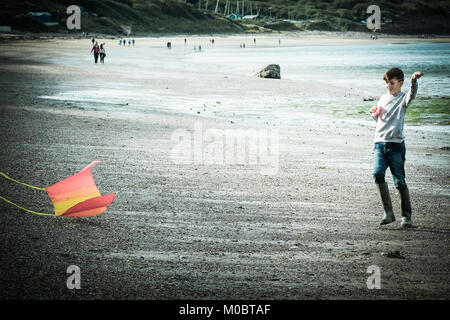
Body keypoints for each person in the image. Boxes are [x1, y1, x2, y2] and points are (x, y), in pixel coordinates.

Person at [369, 68, 424, 227]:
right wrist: (374, 114)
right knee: (377, 173)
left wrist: (414, 82)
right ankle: (388, 213)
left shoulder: (403, 98)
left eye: (392, 83)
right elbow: (380, 120)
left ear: (400, 83)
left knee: (399, 180)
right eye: (387, 83)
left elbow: (412, 94)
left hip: (396, 145)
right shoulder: (382, 98)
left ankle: (406, 217)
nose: (389, 86)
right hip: (379, 143)